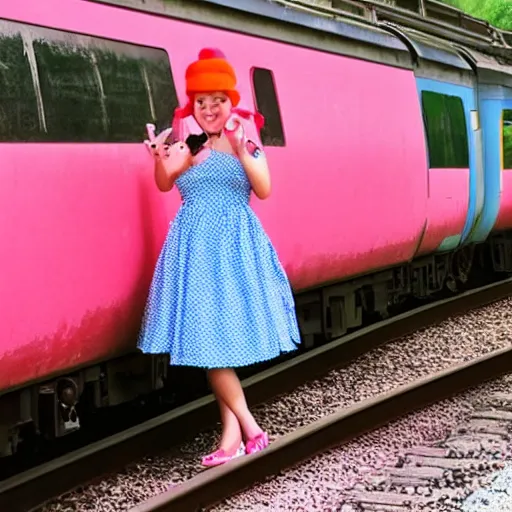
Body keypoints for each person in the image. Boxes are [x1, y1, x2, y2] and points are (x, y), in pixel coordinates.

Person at [138, 48, 300, 467]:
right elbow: (163, 184)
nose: (209, 109)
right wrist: (160, 158)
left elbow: (263, 189)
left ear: (232, 102)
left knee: (215, 350)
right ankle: (239, 434)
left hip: (235, 250)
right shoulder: (185, 144)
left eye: (218, 101)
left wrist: (242, 148)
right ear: (191, 105)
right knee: (214, 348)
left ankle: (244, 430)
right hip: (193, 251)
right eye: (201, 102)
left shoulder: (244, 140)